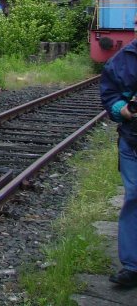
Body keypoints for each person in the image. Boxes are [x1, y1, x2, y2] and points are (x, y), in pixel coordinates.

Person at [100, 17, 137, 288]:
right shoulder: (123, 60)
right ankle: (133, 265)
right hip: (133, 141)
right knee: (134, 198)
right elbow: (110, 96)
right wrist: (121, 110)